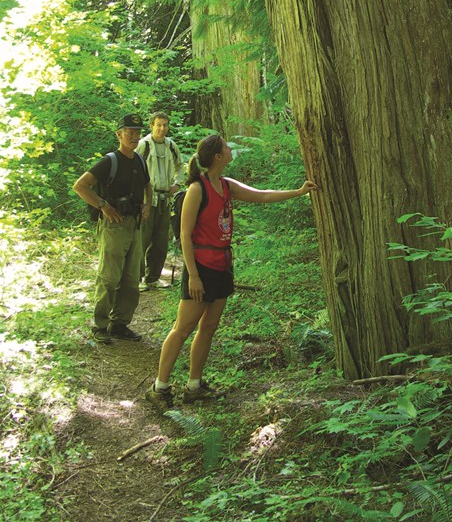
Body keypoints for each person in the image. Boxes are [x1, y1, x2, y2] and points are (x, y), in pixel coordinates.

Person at [145, 133, 317, 410]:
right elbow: (186, 236)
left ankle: (194, 385)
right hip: (200, 267)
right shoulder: (197, 189)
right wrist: (194, 276)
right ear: (217, 156)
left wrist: (298, 192)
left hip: (222, 266)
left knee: (209, 328)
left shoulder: (226, 185)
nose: (229, 150)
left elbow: (261, 196)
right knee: (183, 328)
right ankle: (160, 387)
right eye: (225, 147)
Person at [73, 113, 153, 344]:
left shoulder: (138, 160)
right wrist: (103, 206)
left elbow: (147, 185)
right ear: (119, 134)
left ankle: (120, 324)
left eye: (137, 132)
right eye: (130, 132)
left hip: (134, 225)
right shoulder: (110, 161)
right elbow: (80, 186)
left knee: (131, 278)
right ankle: (99, 326)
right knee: (109, 277)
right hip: (114, 226)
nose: (134, 136)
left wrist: (147, 204)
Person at [136, 111, 184, 290]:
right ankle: (137, 278)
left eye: (165, 125)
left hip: (165, 199)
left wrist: (177, 184)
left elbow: (180, 166)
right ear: (151, 126)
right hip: (147, 199)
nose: (162, 128)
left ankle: (153, 278)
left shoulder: (171, 146)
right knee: (142, 239)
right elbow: (134, 167)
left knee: (160, 240)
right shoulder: (143, 145)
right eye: (158, 125)